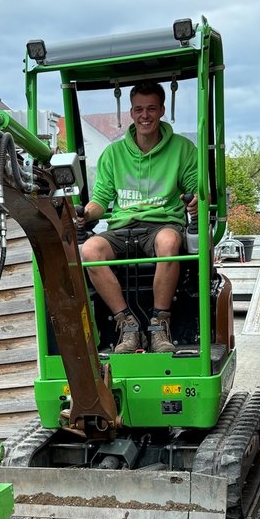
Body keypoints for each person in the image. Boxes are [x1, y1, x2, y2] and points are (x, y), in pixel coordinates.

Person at [75, 81, 199, 354]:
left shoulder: (183, 149)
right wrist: (85, 214)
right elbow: (100, 201)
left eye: (151, 108)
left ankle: (159, 325)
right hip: (123, 229)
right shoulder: (114, 153)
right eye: (139, 109)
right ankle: (127, 324)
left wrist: (196, 204)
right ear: (131, 113)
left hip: (161, 225)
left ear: (162, 110)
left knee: (168, 242)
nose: (145, 115)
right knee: (91, 249)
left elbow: (196, 192)